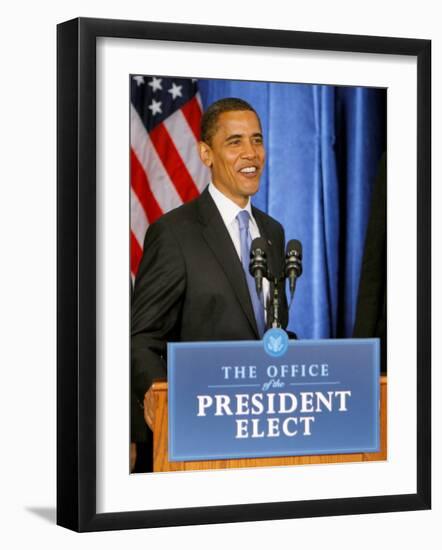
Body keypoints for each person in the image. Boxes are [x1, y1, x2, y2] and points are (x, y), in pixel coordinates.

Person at [130, 97, 290, 468]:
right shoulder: (173, 233)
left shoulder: (273, 233)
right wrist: (168, 406)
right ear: (205, 153)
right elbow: (142, 340)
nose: (251, 153)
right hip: (198, 431)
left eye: (257, 139)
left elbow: (265, 330)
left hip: (264, 429)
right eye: (235, 142)